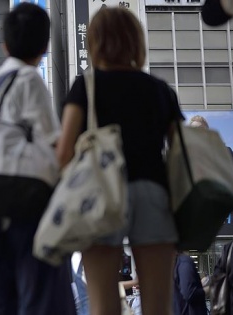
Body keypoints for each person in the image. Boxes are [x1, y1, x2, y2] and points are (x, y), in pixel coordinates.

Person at [57, 7, 182, 315]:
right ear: (135, 41)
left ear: (95, 42)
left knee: (103, 305)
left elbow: (63, 153)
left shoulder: (85, 86)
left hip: (99, 193)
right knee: (158, 305)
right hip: (153, 191)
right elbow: (181, 153)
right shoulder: (159, 89)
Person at [0, 3, 75, 314]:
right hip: (25, 213)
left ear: (5, 44)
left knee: (0, 299)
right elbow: (54, 148)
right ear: (44, 45)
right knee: (41, 299)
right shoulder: (30, 81)